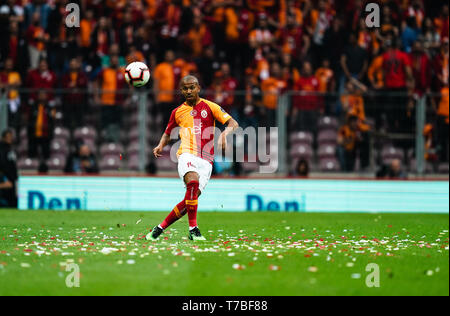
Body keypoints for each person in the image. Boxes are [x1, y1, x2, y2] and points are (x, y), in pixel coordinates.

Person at [147, 75, 239, 241]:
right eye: (185, 88)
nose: (188, 91)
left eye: (192, 87)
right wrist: (161, 145)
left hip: (206, 159)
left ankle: (159, 229)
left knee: (190, 198)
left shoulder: (211, 107)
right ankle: (193, 229)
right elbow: (168, 133)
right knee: (193, 182)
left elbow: (233, 123)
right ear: (181, 90)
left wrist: (225, 133)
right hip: (186, 153)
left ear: (198, 88)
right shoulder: (177, 112)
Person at [0, 129, 17, 207]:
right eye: (7, 137)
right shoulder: (2, 149)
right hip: (5, 177)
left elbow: (12, 164)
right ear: (3, 138)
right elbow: (3, 164)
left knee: (12, 199)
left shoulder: (10, 148)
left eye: (10, 137)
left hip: (11, 178)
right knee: (6, 199)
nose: (9, 138)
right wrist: (4, 177)